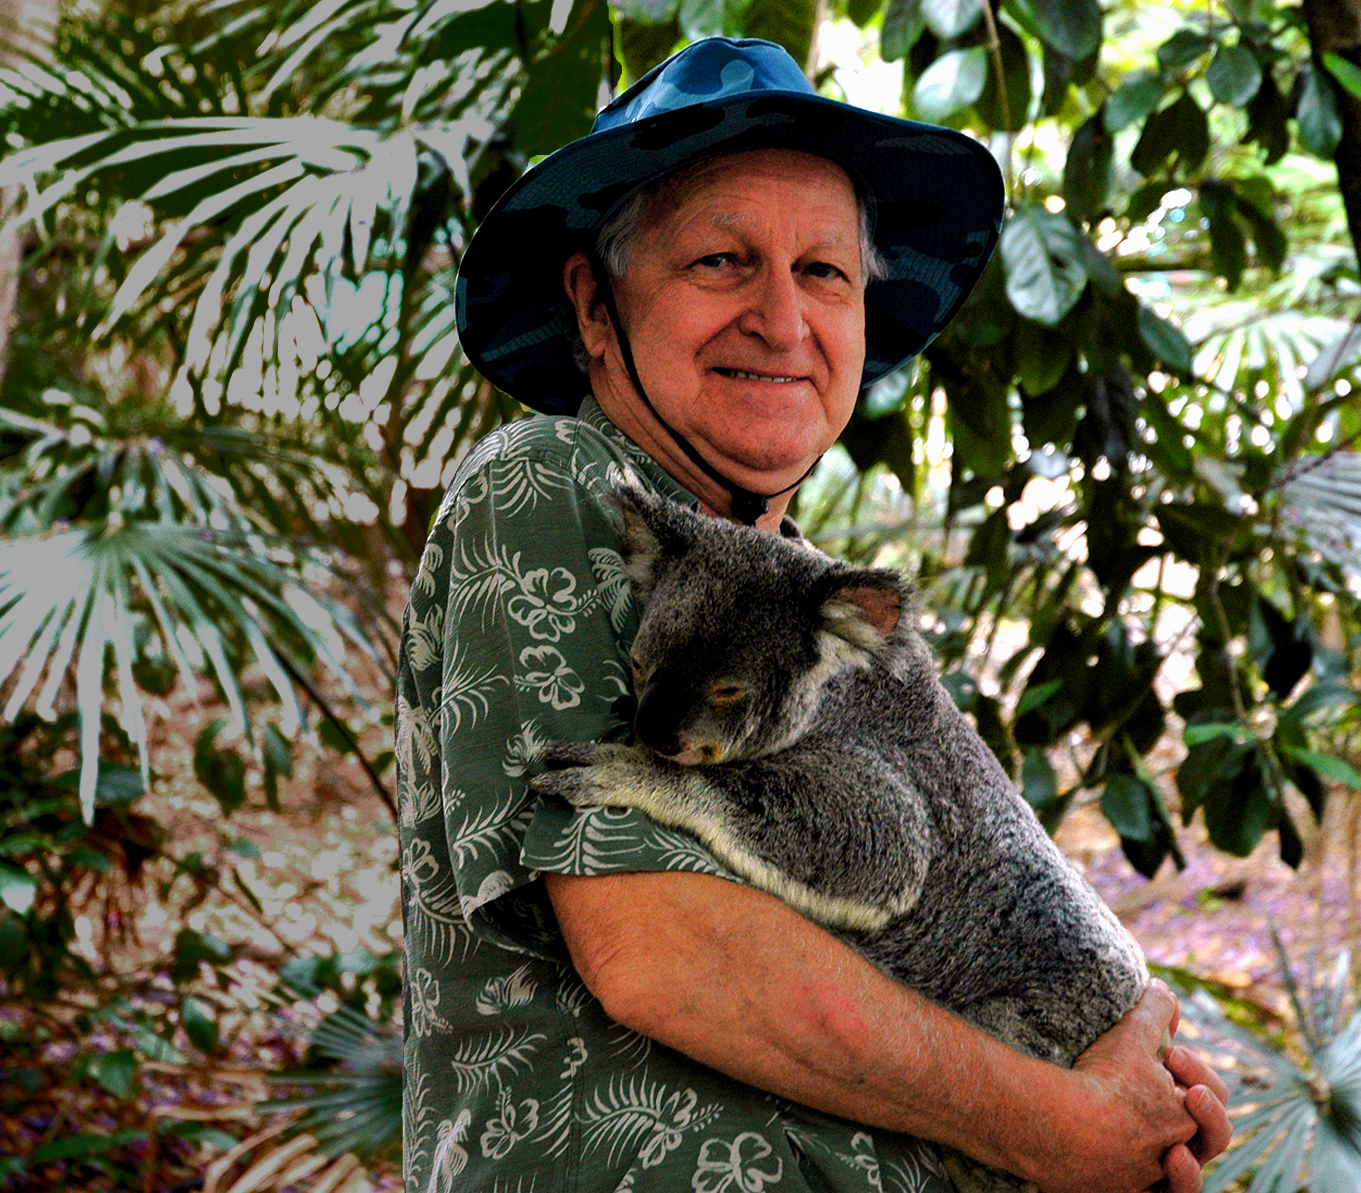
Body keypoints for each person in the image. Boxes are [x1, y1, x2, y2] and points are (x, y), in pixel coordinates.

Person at [396, 37, 1231, 1193]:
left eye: (826, 273)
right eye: (720, 261)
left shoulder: (829, 610)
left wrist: (1137, 1067)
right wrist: (1061, 1120)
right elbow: (666, 953)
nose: (781, 319)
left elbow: (964, 882)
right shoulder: (553, 483)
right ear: (595, 303)